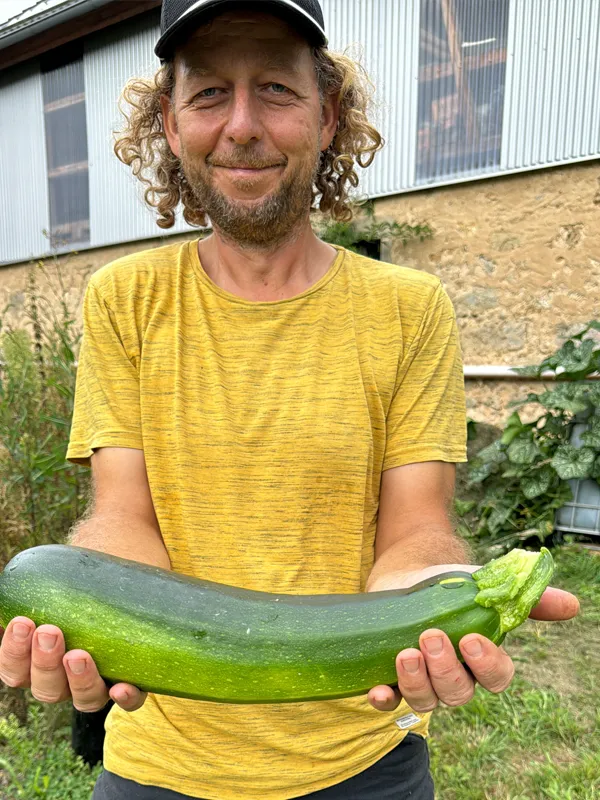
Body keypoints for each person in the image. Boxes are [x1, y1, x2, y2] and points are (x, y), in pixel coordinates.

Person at [0, 1, 579, 798]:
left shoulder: (410, 308)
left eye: (275, 87)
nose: (242, 125)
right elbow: (121, 515)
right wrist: (103, 628)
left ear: (327, 115)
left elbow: (416, 527)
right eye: (209, 94)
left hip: (365, 760)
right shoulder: (124, 300)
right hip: (158, 766)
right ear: (170, 124)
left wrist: (437, 607)